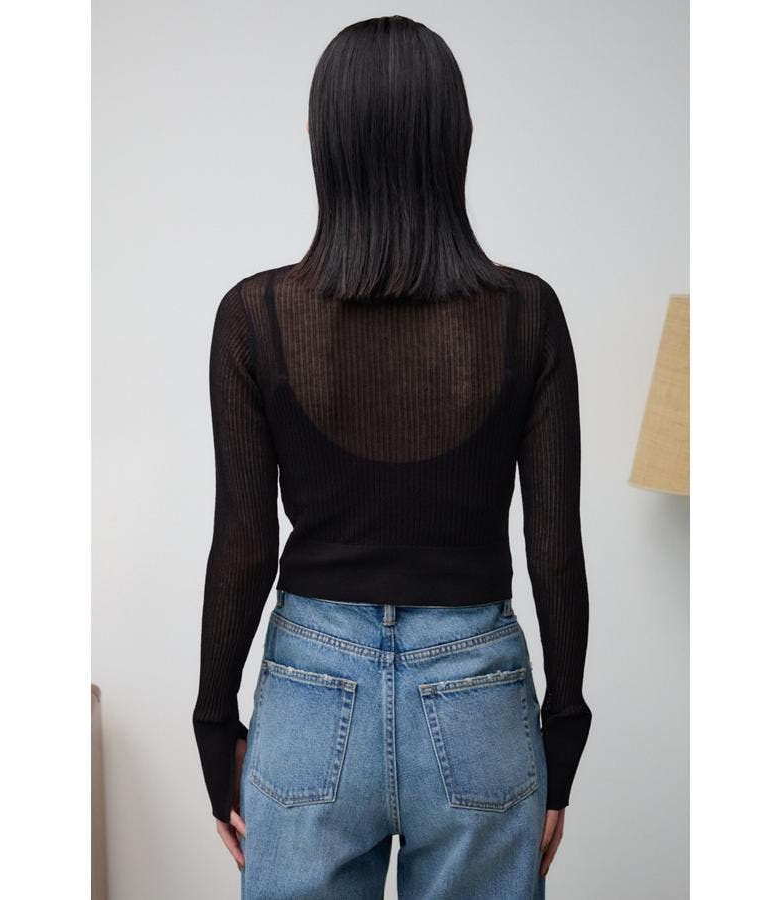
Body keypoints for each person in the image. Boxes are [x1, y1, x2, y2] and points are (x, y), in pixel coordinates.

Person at [192, 14, 591, 899]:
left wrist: (215, 726)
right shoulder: (528, 313)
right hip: (478, 691)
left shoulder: (255, 316)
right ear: (459, 137)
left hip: (310, 686)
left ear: (319, 139)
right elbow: (554, 548)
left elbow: (245, 547)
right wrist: (562, 740)